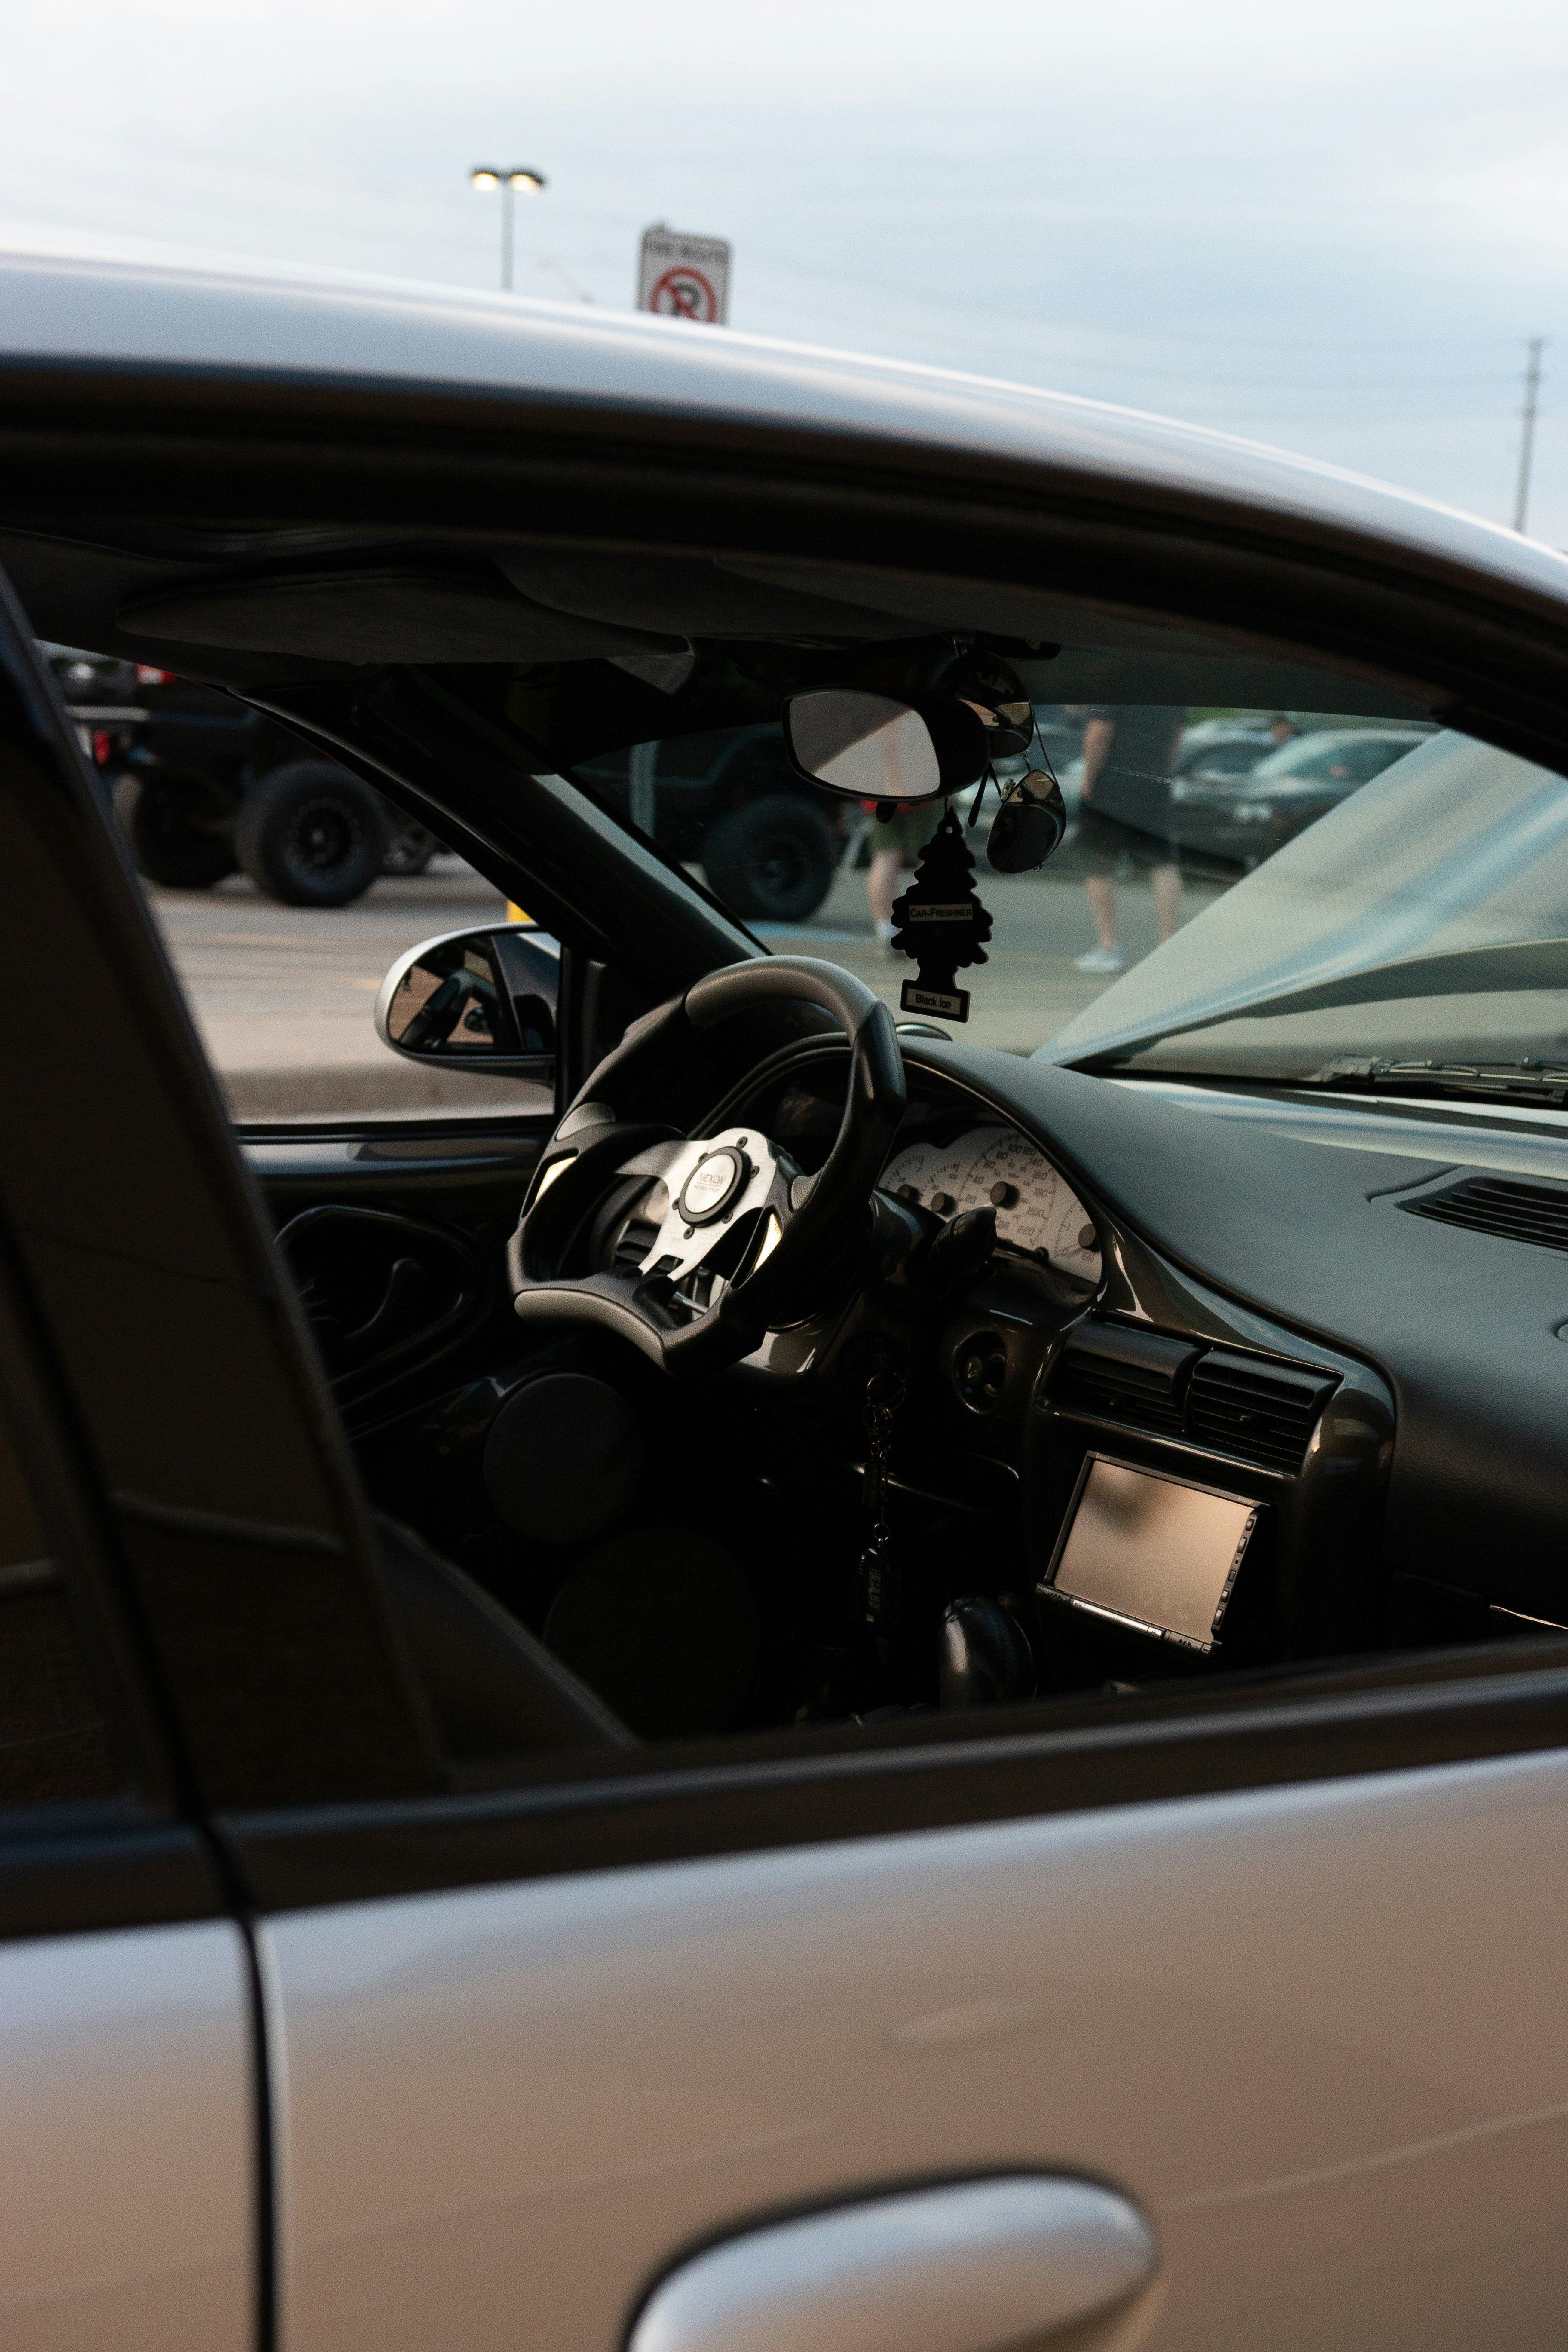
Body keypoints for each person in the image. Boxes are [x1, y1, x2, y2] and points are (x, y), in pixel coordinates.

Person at [1073, 704, 1186, 973]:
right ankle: (1169, 946)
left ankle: (1110, 948)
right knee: (1163, 863)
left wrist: (1089, 781)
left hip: (1112, 785)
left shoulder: (1115, 685)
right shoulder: (1172, 692)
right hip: (1155, 784)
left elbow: (1099, 733)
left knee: (1099, 864)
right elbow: (1177, 738)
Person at [866, 798, 941, 950]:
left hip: (880, 793)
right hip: (927, 792)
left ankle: (887, 933)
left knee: (885, 858)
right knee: (935, 860)